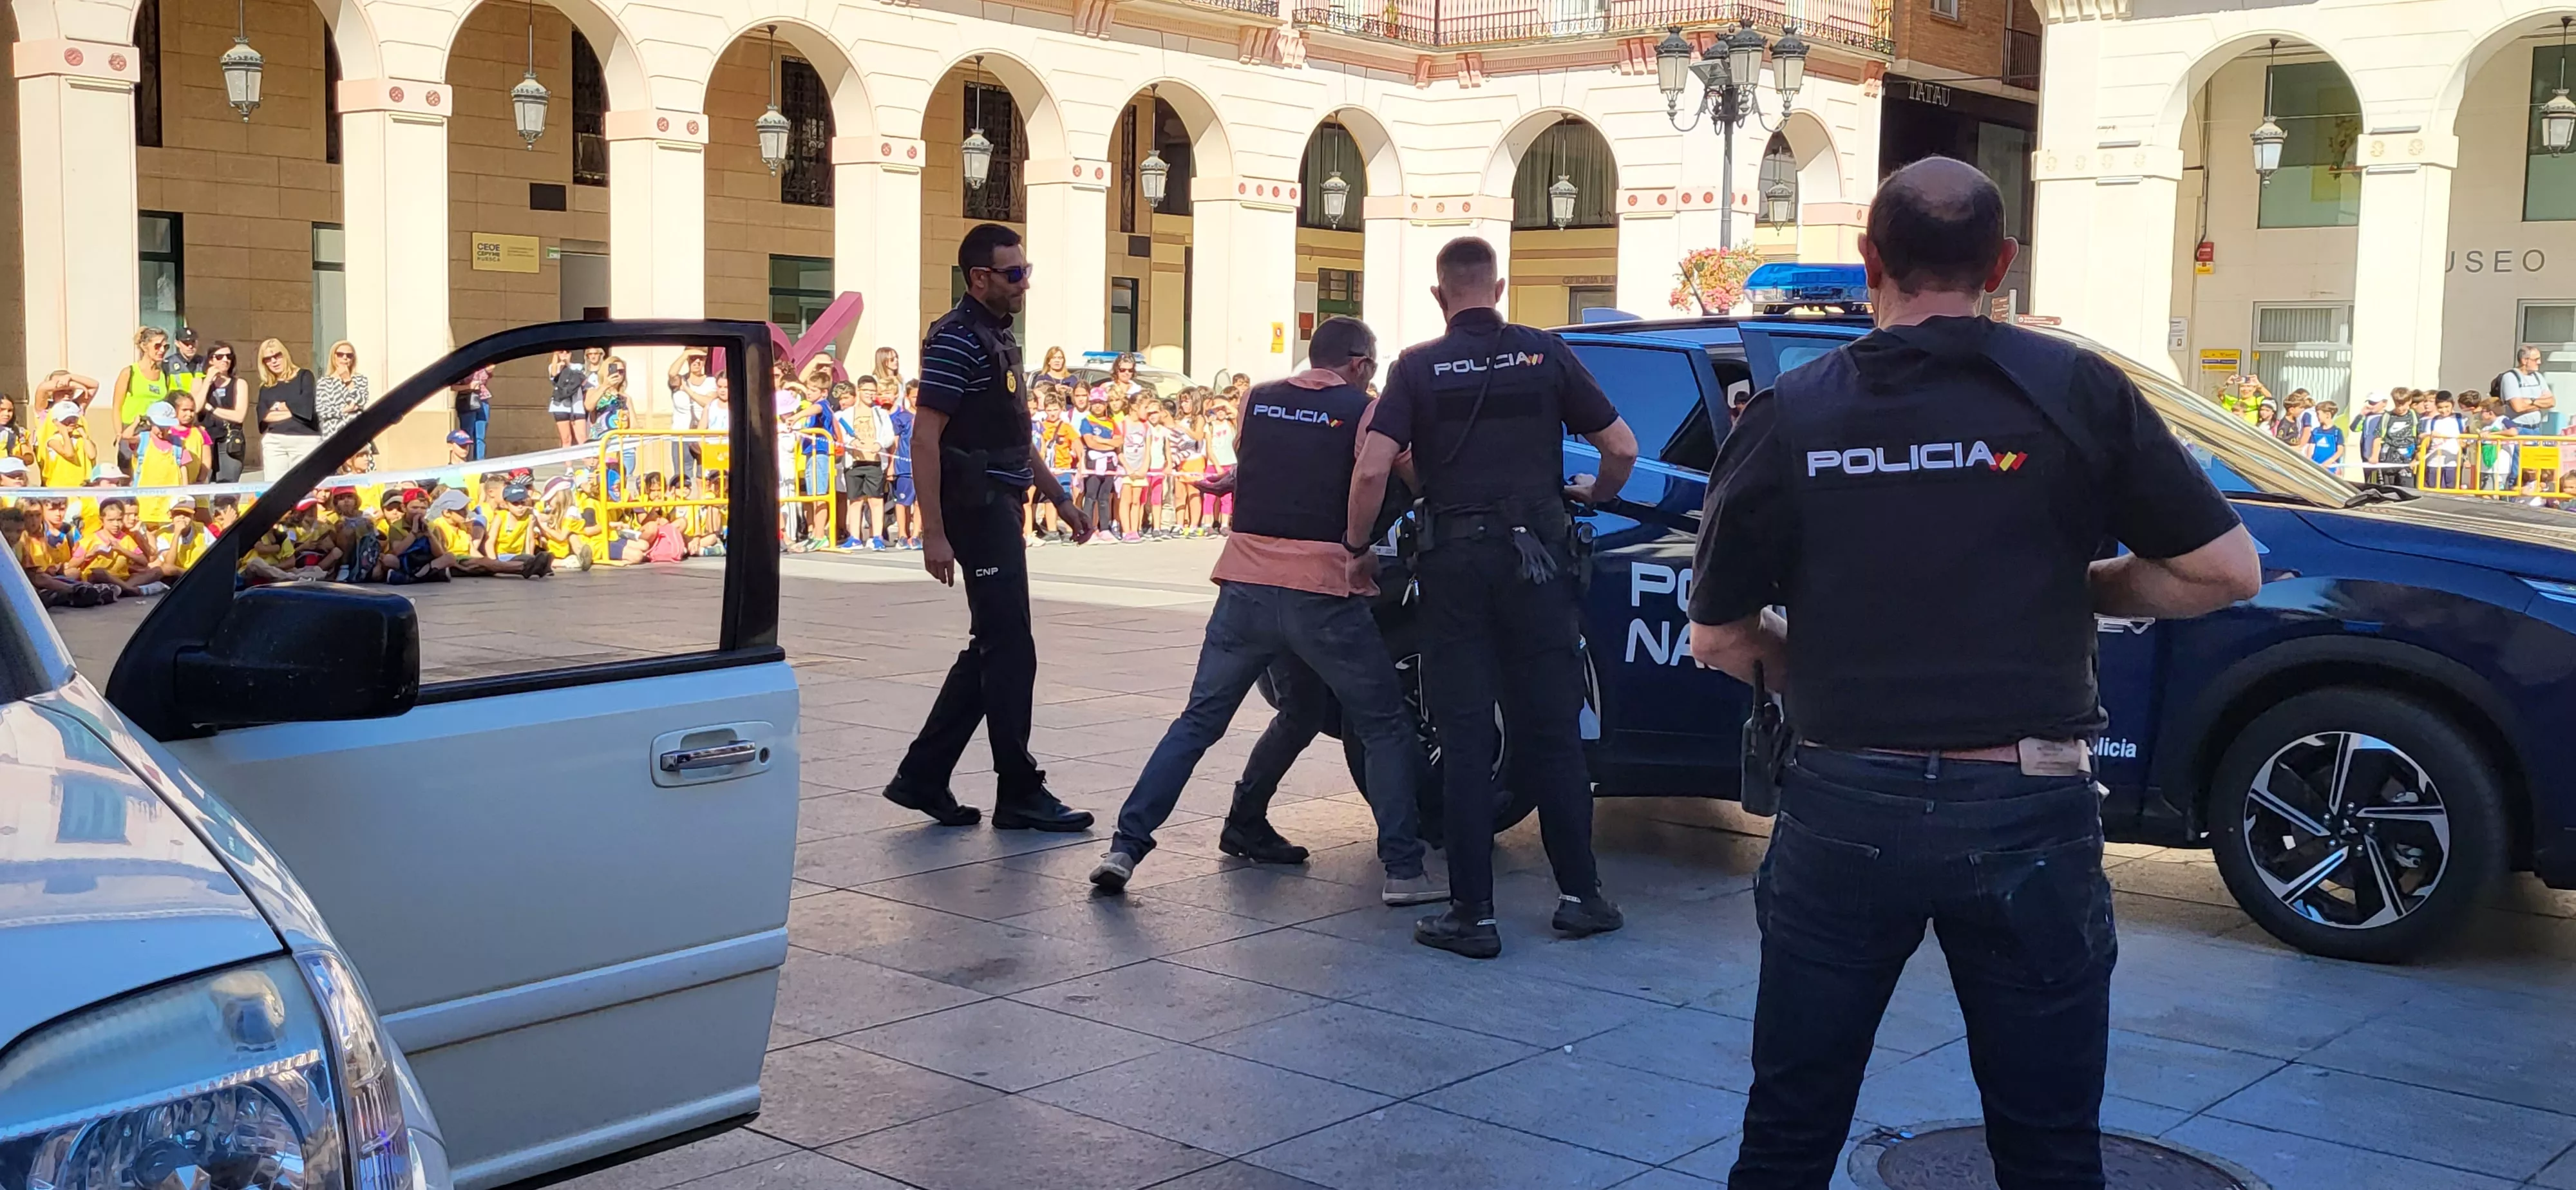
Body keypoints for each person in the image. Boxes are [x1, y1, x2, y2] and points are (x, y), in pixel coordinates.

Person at [1681, 156, 2262, 1190]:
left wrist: (1825, 661)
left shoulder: (1791, 412)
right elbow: (2226, 571)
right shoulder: (2078, 390)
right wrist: (2078, 589)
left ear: (1871, 262)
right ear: (2002, 263)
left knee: (1789, 1131)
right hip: (2029, 806)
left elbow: (1719, 639)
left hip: (1844, 802)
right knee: (2047, 1143)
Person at [1350, 233, 1638, 959]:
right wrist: (1591, 493)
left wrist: (1356, 550)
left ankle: (1471, 916)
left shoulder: (1415, 367)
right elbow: (1623, 449)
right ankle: (1582, 898)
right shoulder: (1544, 353)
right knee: (1554, 729)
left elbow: (1370, 470)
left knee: (1468, 735)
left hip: (1455, 567)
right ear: (1500, 287)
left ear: (1440, 295)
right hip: (1537, 562)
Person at [1089, 316, 1443, 903]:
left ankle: (1131, 846)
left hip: (1244, 587)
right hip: (1323, 591)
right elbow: (1392, 474)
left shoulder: (1257, 398)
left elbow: (1264, 465)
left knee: (1215, 720)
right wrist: (1360, 546)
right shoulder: (1365, 411)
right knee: (1382, 723)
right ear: (1359, 364)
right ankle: (1404, 870)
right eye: (1372, 368)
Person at [880, 222, 1097, 832]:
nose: (1023, 283)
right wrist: (933, 533)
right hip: (975, 509)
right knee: (1011, 651)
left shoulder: (998, 339)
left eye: (1025, 271)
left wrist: (1061, 499)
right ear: (979, 278)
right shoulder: (955, 340)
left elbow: (1014, 437)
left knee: (992, 650)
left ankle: (922, 776)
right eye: (1013, 273)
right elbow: (925, 439)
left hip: (1001, 502)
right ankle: (1020, 791)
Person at [256, 339, 322, 477]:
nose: (274, 361)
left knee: (305, 487)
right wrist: (294, 409)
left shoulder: (304, 376)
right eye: (268, 359)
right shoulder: (266, 387)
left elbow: (306, 407)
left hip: (305, 439)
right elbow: (265, 416)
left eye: (277, 356)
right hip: (275, 442)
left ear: (285, 355)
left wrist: (279, 407)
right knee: (274, 488)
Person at [196, 341, 250, 481]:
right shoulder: (199, 382)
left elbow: (239, 416)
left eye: (229, 356)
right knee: (201, 486)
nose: (225, 360)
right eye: (219, 357)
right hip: (205, 439)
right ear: (211, 360)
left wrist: (210, 408)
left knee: (227, 488)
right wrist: (208, 381)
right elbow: (196, 408)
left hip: (229, 440)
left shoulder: (239, 383)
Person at [2497, 345, 2559, 438]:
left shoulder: (2538, 377)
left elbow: (2552, 402)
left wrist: (2531, 401)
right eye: (2536, 359)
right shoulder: (2511, 377)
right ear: (2524, 360)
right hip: (2518, 428)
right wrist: (2539, 404)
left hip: (2536, 429)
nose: (2539, 362)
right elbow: (2518, 407)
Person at [39, 402, 93, 489]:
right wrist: (64, 433)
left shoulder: (81, 439)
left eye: (74, 419)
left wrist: (85, 436)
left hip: (80, 487)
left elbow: (92, 455)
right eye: (66, 420)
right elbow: (69, 454)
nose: (71, 422)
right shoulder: (53, 441)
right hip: (60, 488)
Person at [549, 349, 590, 448]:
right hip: (561, 406)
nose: (564, 354)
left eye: (566, 352)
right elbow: (554, 375)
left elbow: (582, 380)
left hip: (577, 406)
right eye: (561, 352)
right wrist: (555, 356)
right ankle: (568, 463)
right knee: (566, 438)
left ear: (570, 354)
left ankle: (587, 461)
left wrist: (568, 363)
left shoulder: (578, 366)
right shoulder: (554, 367)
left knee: (582, 438)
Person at [455, 364, 493, 460]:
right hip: (468, 398)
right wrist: (469, 386)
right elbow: (453, 387)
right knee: (468, 434)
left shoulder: (485, 366)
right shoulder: (463, 366)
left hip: (482, 399)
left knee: (480, 436)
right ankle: (466, 461)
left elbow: (492, 368)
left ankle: (480, 462)